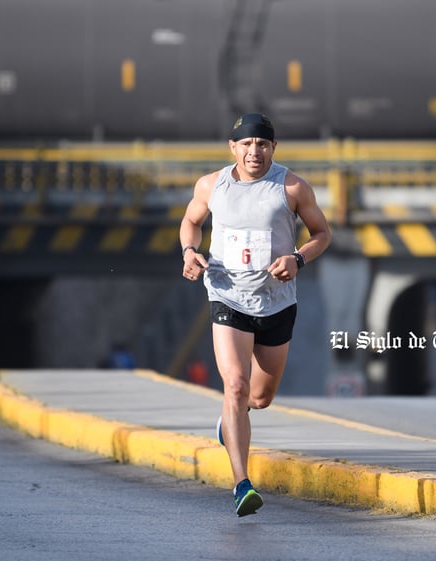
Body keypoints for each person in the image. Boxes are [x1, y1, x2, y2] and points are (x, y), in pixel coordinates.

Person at [179, 113, 331, 516]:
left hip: (276, 303)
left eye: (262, 144)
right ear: (233, 148)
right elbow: (191, 222)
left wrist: (298, 258)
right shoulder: (211, 185)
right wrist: (189, 252)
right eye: (246, 144)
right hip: (227, 297)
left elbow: (322, 234)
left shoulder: (292, 187)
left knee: (259, 398)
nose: (254, 152)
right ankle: (242, 483)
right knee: (235, 386)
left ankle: (233, 418)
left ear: (273, 148)